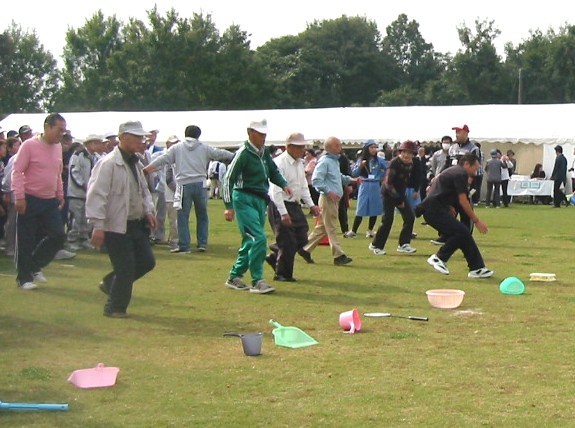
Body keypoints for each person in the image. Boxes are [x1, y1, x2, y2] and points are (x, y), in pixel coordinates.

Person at [86, 121, 157, 318]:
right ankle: (115, 308)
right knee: (125, 267)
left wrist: (148, 210)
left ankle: (110, 283)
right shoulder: (108, 164)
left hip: (135, 222)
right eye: (137, 137)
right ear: (123, 137)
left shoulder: (136, 163)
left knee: (146, 261)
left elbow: (143, 191)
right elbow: (96, 195)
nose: (141, 141)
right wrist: (98, 226)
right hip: (115, 224)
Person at [221, 119, 291, 294]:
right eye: (260, 134)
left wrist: (283, 184)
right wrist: (228, 205)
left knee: (250, 240)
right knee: (258, 238)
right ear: (250, 132)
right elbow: (228, 179)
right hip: (243, 198)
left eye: (264, 134)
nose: (263, 137)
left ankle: (234, 276)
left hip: (260, 200)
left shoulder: (264, 152)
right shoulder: (243, 153)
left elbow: (273, 171)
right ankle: (257, 280)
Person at [144, 125, 234, 253]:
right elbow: (220, 153)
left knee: (182, 216)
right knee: (202, 215)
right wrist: (236, 156)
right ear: (198, 135)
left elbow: (162, 159)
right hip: (201, 184)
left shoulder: (177, 148)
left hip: (183, 184)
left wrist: (147, 169)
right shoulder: (204, 147)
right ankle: (202, 243)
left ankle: (184, 246)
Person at [11, 113, 68, 290]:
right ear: (47, 127)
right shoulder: (29, 145)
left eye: (64, 131)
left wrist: (59, 193)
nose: (62, 134)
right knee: (26, 240)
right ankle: (24, 278)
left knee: (58, 235)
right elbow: (17, 171)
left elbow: (57, 172)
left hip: (49, 200)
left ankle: (35, 265)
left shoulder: (57, 147)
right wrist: (19, 196)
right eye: (59, 130)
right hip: (30, 198)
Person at [416, 153, 494, 278]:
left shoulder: (453, 171)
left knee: (464, 234)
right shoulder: (461, 174)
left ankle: (477, 268)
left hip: (434, 209)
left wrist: (448, 206)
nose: (476, 172)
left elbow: (438, 190)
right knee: (462, 232)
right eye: (475, 168)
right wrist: (477, 221)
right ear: (467, 164)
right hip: (434, 211)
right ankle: (439, 258)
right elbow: (463, 200)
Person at [267, 133, 320, 282]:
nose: (302, 150)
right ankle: (282, 274)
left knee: (302, 236)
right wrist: (283, 213)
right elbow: (275, 190)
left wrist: (311, 205)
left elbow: (303, 186)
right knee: (288, 241)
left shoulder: (299, 163)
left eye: (303, 147)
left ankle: (276, 255)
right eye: (299, 147)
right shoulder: (279, 163)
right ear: (288, 147)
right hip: (280, 204)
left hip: (294, 204)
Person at [299, 136, 361, 266]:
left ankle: (305, 249)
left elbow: (338, 177)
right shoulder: (325, 162)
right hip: (328, 198)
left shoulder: (333, 161)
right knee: (331, 227)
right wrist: (329, 192)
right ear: (329, 147)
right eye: (337, 145)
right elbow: (316, 180)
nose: (340, 147)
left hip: (333, 198)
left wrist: (352, 180)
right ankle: (338, 255)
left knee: (323, 227)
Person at [369, 140, 417, 255]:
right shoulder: (394, 163)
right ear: (400, 152)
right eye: (404, 152)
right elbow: (388, 183)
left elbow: (405, 181)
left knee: (410, 217)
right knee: (388, 220)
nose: (406, 155)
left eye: (409, 153)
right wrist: (398, 199)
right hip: (388, 193)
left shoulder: (411, 163)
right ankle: (376, 245)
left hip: (400, 193)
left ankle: (404, 244)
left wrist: (402, 196)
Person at [67, 134, 105, 249]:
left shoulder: (97, 157)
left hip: (89, 194)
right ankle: (71, 240)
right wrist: (83, 185)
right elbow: (74, 172)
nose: (99, 145)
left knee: (86, 218)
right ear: (90, 144)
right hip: (76, 193)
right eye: (97, 143)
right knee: (76, 218)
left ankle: (84, 239)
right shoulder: (78, 155)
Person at [347, 140, 387, 238]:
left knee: (374, 208)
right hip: (364, 184)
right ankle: (353, 230)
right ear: (366, 149)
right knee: (361, 207)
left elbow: (388, 168)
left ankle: (370, 230)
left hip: (375, 185)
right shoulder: (361, 160)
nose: (373, 150)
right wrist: (360, 166)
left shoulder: (379, 160)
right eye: (371, 147)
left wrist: (382, 176)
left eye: (375, 147)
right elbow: (354, 173)